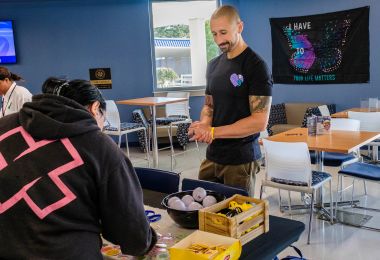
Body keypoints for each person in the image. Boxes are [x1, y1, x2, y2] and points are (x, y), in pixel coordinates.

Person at [0, 77, 157, 259]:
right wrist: (150, 239)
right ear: (95, 108)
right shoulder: (99, 147)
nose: (102, 128)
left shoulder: (4, 126)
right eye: (103, 121)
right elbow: (134, 238)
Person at [188, 5, 273, 194]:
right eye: (214, 34)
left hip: (240, 160)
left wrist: (212, 131)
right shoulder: (213, 66)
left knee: (236, 219)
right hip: (213, 156)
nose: (219, 39)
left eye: (223, 32)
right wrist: (203, 125)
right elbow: (209, 105)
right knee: (205, 214)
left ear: (240, 27)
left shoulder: (256, 66)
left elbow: (259, 121)